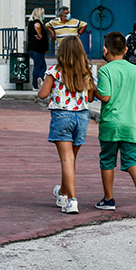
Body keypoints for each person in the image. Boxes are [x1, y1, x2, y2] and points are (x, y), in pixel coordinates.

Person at [94, 32, 136, 218]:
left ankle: (108, 199)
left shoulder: (105, 70)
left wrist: (93, 89)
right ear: (126, 50)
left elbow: (105, 96)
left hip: (111, 124)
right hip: (131, 124)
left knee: (107, 160)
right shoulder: (134, 70)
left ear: (105, 50)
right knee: (133, 158)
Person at [37, 36, 95, 214]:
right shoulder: (86, 71)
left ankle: (72, 200)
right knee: (71, 159)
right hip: (82, 117)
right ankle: (62, 193)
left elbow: (42, 94)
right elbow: (90, 97)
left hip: (62, 116)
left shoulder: (54, 71)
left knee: (66, 159)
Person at [28, 7, 48, 89]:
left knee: (41, 65)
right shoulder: (37, 23)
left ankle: (39, 79)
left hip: (33, 48)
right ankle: (36, 82)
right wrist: (40, 35)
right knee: (39, 66)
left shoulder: (30, 23)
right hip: (38, 49)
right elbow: (37, 26)